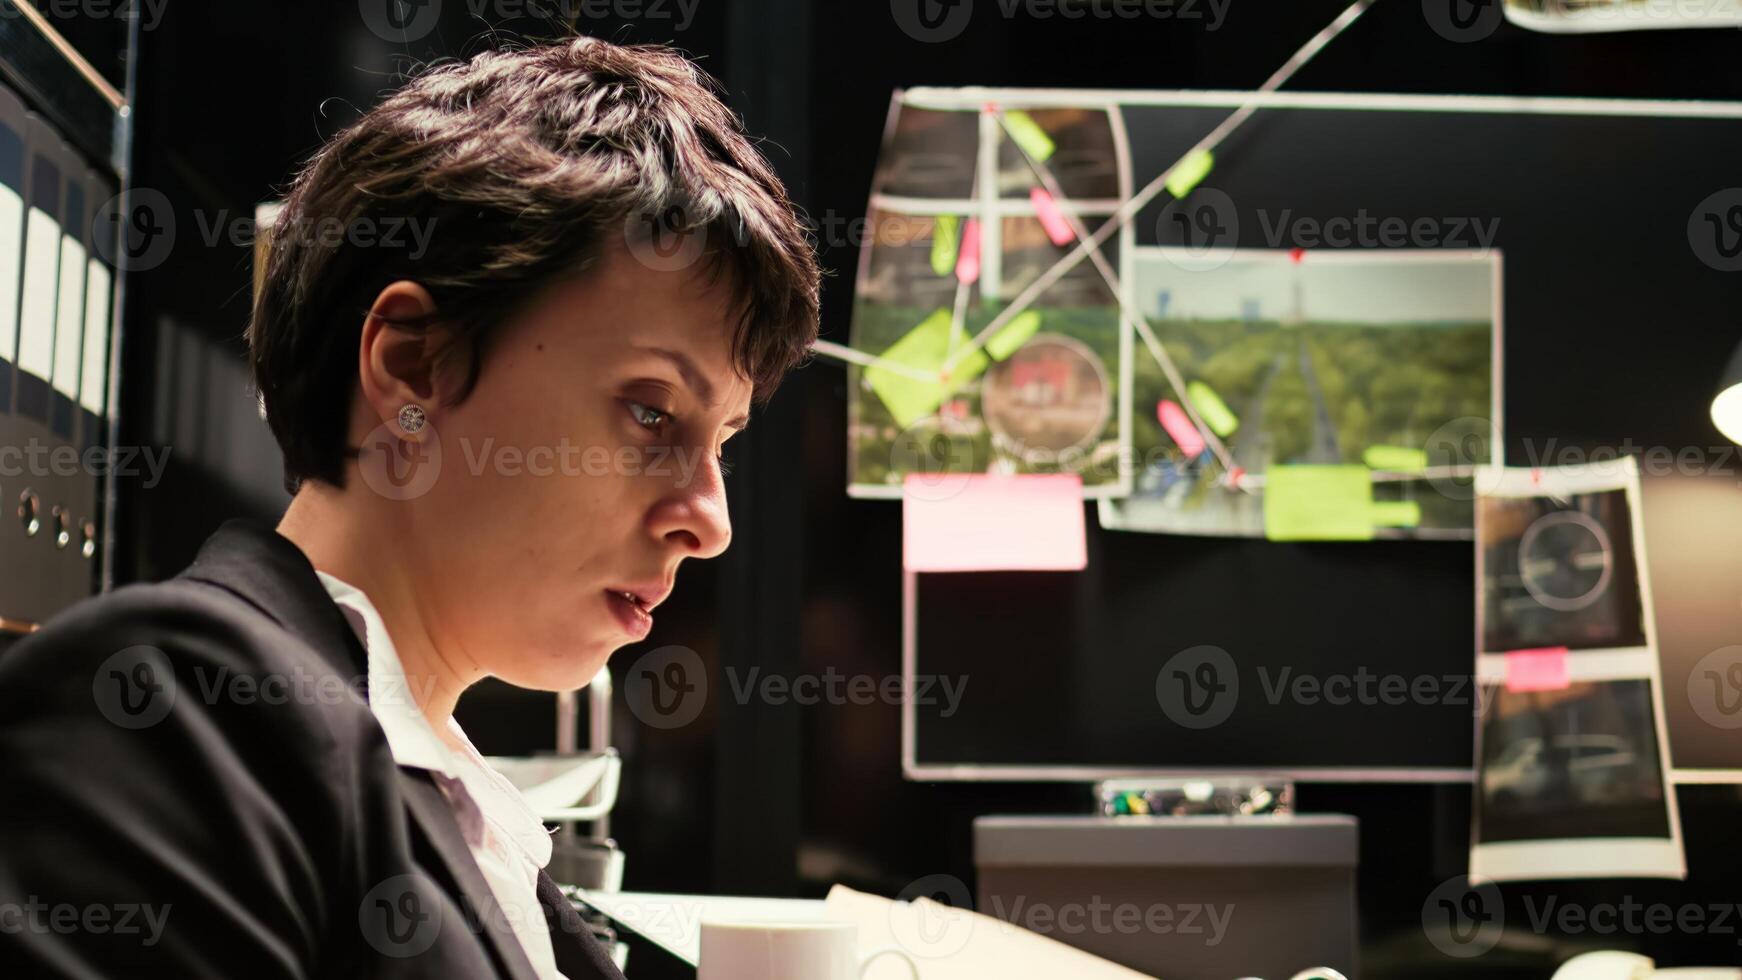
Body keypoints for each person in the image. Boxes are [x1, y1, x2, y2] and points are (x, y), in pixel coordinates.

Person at [0, 35, 819, 980]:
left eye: (721, 444)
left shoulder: (468, 814)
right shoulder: (173, 712)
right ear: (412, 368)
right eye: (650, 412)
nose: (710, 521)